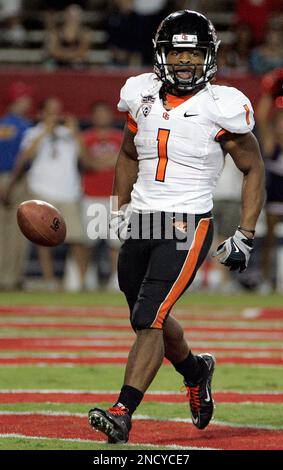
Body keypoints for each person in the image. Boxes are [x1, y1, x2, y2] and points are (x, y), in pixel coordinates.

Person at [88, 10, 265, 444]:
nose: (185, 61)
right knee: (143, 313)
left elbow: (253, 167)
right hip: (143, 218)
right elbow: (129, 154)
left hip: (188, 221)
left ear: (208, 57)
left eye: (193, 53)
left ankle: (122, 411)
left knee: (151, 316)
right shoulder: (139, 93)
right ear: (162, 54)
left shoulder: (221, 104)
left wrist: (245, 231)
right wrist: (117, 209)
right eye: (177, 52)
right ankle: (194, 368)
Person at [4, 97, 88, 290]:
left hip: (69, 191)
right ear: (41, 113)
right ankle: (49, 280)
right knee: (42, 237)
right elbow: (25, 157)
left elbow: (83, 158)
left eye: (57, 111)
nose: (55, 115)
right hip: (41, 191)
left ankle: (81, 283)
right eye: (50, 111)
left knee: (77, 239)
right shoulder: (33, 132)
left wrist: (75, 132)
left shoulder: (68, 134)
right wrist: (44, 132)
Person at [81, 101, 123, 290]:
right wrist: (107, 162)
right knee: (88, 242)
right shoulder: (86, 137)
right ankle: (84, 279)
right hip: (92, 194)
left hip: (115, 195)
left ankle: (116, 280)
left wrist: (99, 162)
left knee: (116, 242)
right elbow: (86, 162)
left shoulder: (120, 136)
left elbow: (123, 160)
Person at [0, 81, 33, 290]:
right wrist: (10, 185)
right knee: (18, 231)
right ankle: (11, 277)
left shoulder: (2, 123)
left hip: (3, 179)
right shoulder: (24, 126)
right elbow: (22, 158)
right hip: (15, 180)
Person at [256, 68, 283, 292]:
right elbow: (262, 114)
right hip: (277, 181)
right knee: (271, 234)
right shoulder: (270, 144)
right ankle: (267, 279)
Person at [45, 3, 91, 69]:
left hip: (76, 61)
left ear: (80, 17)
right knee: (49, 63)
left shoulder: (84, 32)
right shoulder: (57, 32)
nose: (72, 19)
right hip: (59, 61)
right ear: (65, 16)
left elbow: (84, 50)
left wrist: (69, 56)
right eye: (70, 16)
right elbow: (53, 50)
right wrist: (67, 56)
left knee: (79, 61)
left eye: (75, 16)